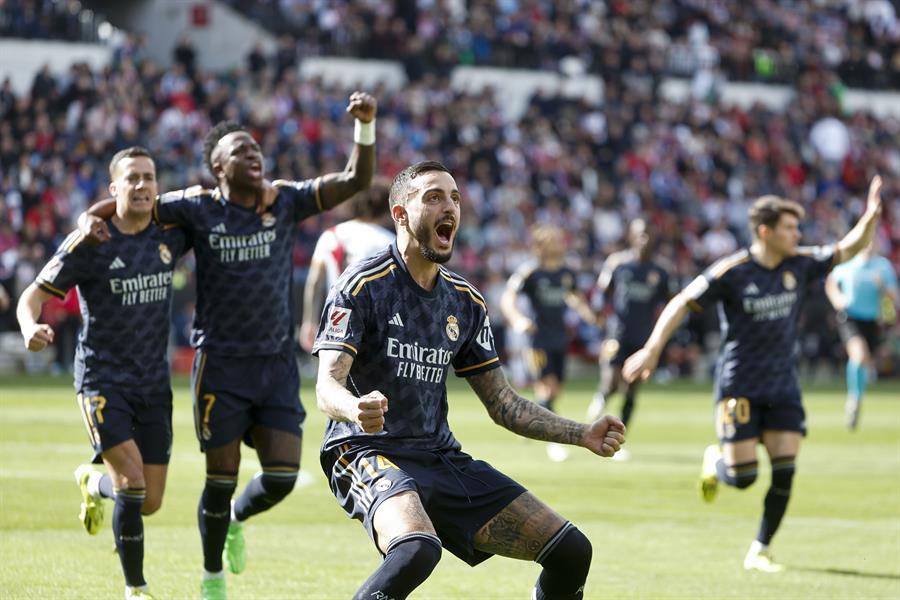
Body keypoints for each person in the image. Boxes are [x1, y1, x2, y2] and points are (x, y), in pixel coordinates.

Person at [79, 92, 377, 600]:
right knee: (221, 477)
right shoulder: (195, 208)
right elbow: (138, 203)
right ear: (219, 166)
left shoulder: (283, 199)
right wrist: (96, 212)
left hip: (276, 362)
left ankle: (239, 517)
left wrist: (365, 127)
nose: (254, 155)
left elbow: (355, 180)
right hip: (221, 365)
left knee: (282, 475)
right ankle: (213, 577)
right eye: (241, 151)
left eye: (256, 148)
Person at [313, 161, 626, 600]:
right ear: (401, 214)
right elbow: (326, 385)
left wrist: (582, 433)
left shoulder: (464, 300)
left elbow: (503, 404)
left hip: (437, 455)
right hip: (364, 449)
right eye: (434, 197)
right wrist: (353, 408)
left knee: (571, 551)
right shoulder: (363, 285)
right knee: (417, 549)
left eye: (455, 198)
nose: (450, 208)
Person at [623, 176, 884, 572]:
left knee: (785, 468)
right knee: (743, 477)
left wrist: (871, 216)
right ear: (766, 231)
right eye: (790, 228)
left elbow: (848, 249)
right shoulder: (732, 271)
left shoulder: (800, 262)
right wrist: (652, 349)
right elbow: (681, 302)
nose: (798, 234)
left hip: (782, 385)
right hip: (738, 385)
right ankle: (716, 459)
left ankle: (760, 548)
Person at [17, 147, 190, 600]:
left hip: (154, 383)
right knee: (132, 486)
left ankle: (92, 482)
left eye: (148, 177)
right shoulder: (91, 240)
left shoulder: (171, 230)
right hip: (101, 379)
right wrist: (29, 325)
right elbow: (30, 297)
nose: (141, 185)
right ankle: (136, 588)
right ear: (114, 189)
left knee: (150, 501)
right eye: (131, 178)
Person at [500, 224, 598, 461]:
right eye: (553, 240)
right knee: (547, 386)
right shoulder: (530, 272)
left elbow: (576, 298)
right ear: (541, 246)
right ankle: (553, 442)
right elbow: (508, 298)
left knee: (555, 390)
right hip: (537, 340)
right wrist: (518, 319)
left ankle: (525, 421)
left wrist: (591, 317)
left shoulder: (566, 273)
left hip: (559, 338)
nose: (559, 244)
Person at [588, 219, 672, 459]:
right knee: (612, 381)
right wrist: (599, 317)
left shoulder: (661, 270)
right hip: (617, 332)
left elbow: (671, 302)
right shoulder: (618, 263)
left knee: (632, 388)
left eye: (648, 234)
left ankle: (617, 439)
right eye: (640, 234)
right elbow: (601, 292)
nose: (644, 239)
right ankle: (599, 402)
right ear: (632, 236)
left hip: (643, 337)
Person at [297, 178, 394, 352]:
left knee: (333, 371)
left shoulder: (331, 235)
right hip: (377, 320)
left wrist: (309, 322)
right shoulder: (390, 242)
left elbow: (314, 283)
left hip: (338, 315)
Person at [825, 239, 898, 429]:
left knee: (865, 361)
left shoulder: (883, 266)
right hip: (850, 317)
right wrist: (837, 299)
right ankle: (854, 399)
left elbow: (893, 297)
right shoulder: (848, 264)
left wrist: (882, 286)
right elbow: (831, 282)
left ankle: (857, 396)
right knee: (859, 354)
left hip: (872, 321)